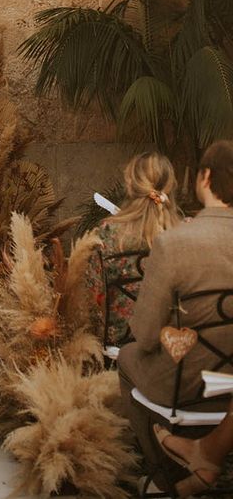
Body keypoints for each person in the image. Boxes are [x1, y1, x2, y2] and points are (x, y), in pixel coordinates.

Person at [117, 140, 233, 497]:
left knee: (128, 357)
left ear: (205, 177)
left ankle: (161, 473)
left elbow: (147, 336)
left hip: (188, 385)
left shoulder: (174, 243)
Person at [85, 152, 181, 344]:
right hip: (173, 344)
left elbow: (93, 299)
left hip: (121, 342)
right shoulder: (184, 234)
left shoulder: (108, 233)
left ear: (130, 185)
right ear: (170, 186)